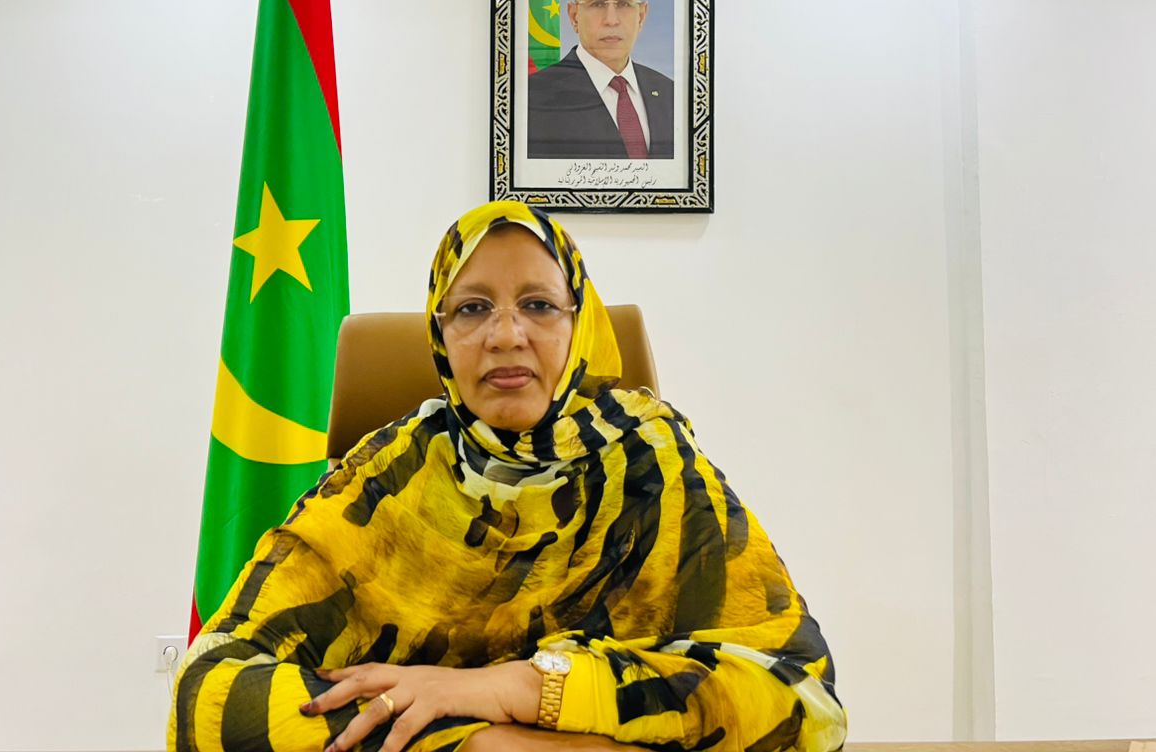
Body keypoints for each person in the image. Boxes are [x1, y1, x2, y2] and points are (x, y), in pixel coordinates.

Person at [170, 201, 847, 752]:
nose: (505, 335)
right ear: (440, 334)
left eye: (539, 305)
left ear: (579, 324)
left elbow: (801, 700)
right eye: (472, 308)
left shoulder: (652, 464)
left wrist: (520, 689)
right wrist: (483, 743)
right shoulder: (387, 474)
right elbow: (208, 688)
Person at [527, 0, 675, 160]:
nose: (611, 20)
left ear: (641, 16)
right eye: (597, 4)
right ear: (574, 16)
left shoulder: (671, 93)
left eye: (624, 4)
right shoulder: (532, 97)